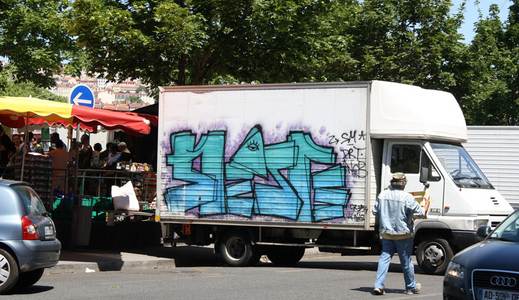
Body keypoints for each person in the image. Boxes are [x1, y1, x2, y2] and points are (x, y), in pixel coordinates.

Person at [372, 173, 430, 296]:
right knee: (406, 261)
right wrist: (426, 204)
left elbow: (374, 211)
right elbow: (420, 212)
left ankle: (378, 286)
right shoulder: (407, 197)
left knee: (384, 258)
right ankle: (410, 287)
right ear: (403, 184)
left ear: (392, 183)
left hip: (386, 233)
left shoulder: (382, 195)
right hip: (403, 234)